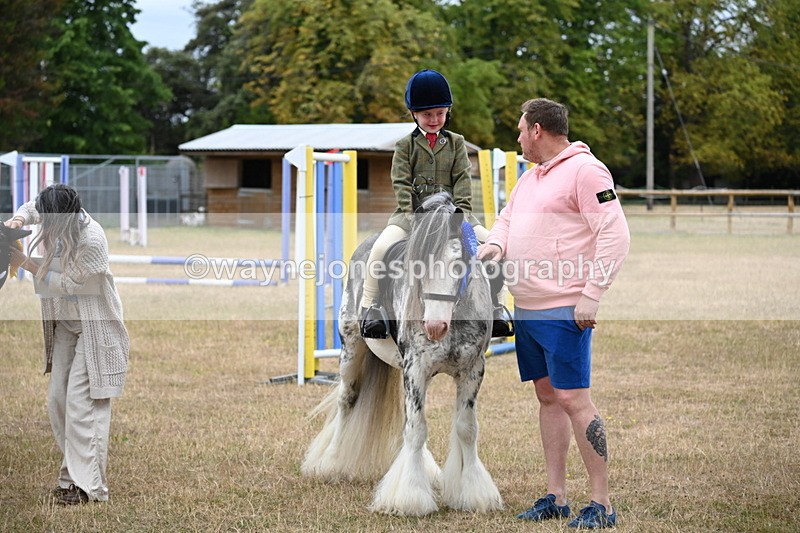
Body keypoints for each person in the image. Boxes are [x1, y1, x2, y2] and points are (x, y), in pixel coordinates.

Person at [477, 98, 630, 529]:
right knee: (547, 398)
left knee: (573, 400)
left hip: (565, 308)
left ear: (538, 130)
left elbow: (615, 234)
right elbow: (507, 220)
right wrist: (494, 245)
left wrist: (593, 293)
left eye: (521, 129)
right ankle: (556, 496)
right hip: (526, 308)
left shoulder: (587, 171)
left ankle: (602, 504)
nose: (519, 137)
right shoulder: (530, 178)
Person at [360, 68, 513, 339]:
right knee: (380, 249)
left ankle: (497, 306)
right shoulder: (405, 146)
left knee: (492, 245)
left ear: (447, 112)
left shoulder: (456, 143)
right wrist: (415, 219)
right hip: (412, 217)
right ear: (414, 114)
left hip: (455, 216)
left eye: (440, 113)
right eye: (428, 114)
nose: (434, 119)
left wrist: (460, 216)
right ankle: (370, 308)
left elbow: (463, 183)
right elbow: (401, 185)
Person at [4, 183, 129, 505]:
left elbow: (68, 284)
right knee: (58, 401)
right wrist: (17, 221)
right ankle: (71, 478)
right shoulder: (52, 213)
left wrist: (25, 262)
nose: (42, 224)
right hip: (65, 325)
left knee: (82, 405)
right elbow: (32, 208)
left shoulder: (92, 240)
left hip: (93, 325)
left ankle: (91, 488)